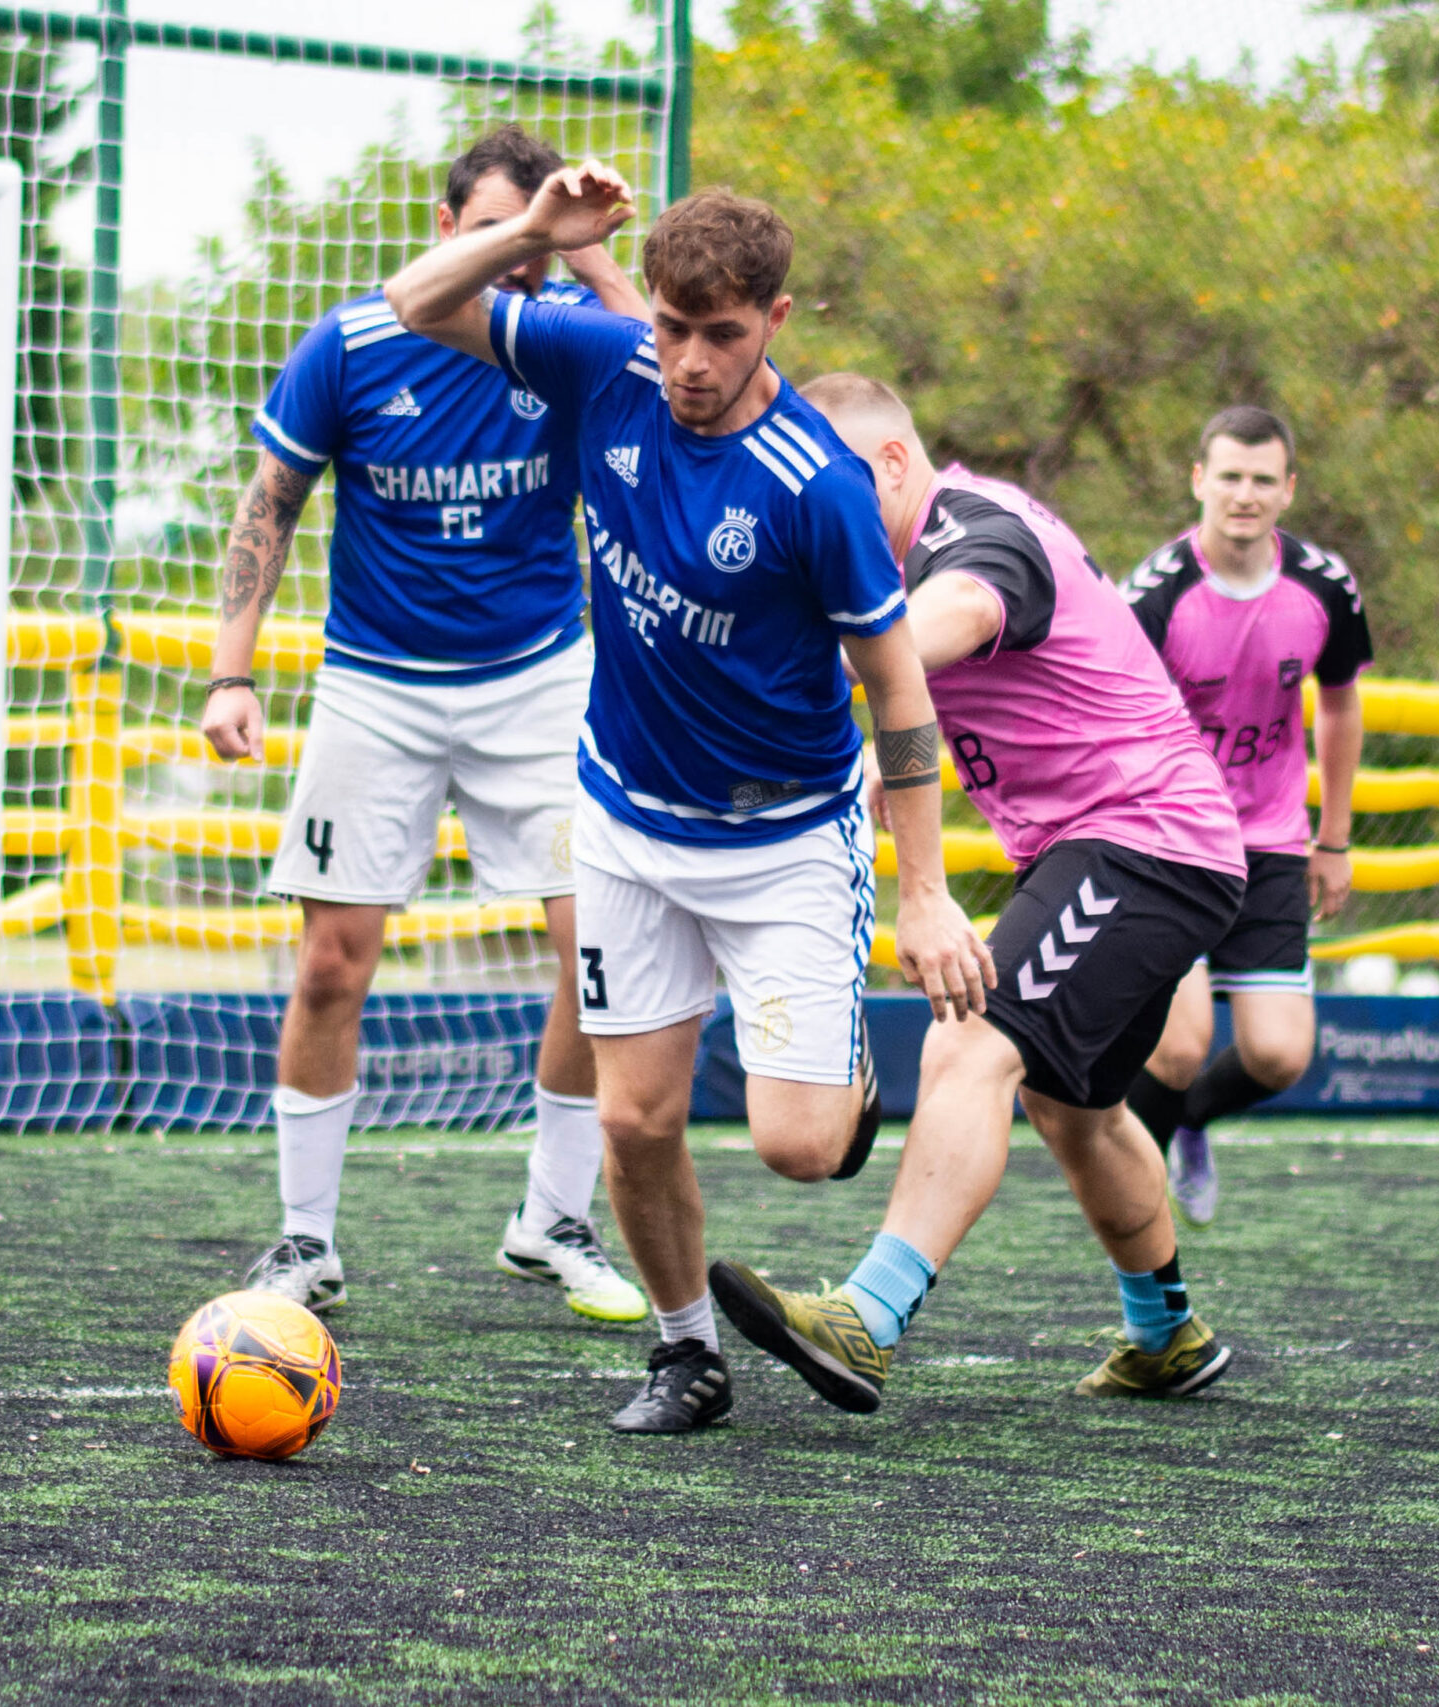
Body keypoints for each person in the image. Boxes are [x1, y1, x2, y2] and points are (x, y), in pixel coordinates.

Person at [385, 172, 994, 1432]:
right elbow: (414, 302)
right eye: (672, 327)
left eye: (721, 333)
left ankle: (837, 1075)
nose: (690, 362)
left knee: (800, 1149)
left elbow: (896, 688)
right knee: (632, 1118)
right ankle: (685, 1355)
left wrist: (926, 894)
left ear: (776, 320)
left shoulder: (816, 484)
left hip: (785, 839)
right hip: (625, 820)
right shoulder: (607, 366)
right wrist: (532, 235)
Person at [708, 373, 1249, 1413]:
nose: (812, 511)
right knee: (1073, 1108)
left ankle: (867, 1318)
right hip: (1137, 846)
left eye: (830, 484)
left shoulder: (973, 534)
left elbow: (937, 625)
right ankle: (1166, 1335)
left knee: (973, 1036)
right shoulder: (924, 536)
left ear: (893, 464)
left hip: (1144, 842)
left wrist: (774, 661)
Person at [202, 127, 651, 1324]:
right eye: (504, 234)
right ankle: (303, 1240)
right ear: (449, 228)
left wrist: (590, 253)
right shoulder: (350, 344)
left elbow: (674, 369)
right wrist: (230, 674)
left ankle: (551, 1220)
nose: (522, 261)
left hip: (539, 681)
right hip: (376, 686)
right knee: (330, 964)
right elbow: (271, 502)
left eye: (539, 243)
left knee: (598, 949)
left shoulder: (567, 336)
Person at [1117, 408, 1372, 1225]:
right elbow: (1110, 720)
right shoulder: (1153, 595)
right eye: (1229, 476)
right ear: (1199, 480)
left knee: (1280, 1053)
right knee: (1179, 1043)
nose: (1245, 494)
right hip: (1170, 842)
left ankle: (1190, 1122)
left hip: (1271, 842)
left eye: (1264, 479)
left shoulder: (1325, 586)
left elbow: (1341, 704)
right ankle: (1132, 1204)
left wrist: (1334, 839)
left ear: (1288, 489)